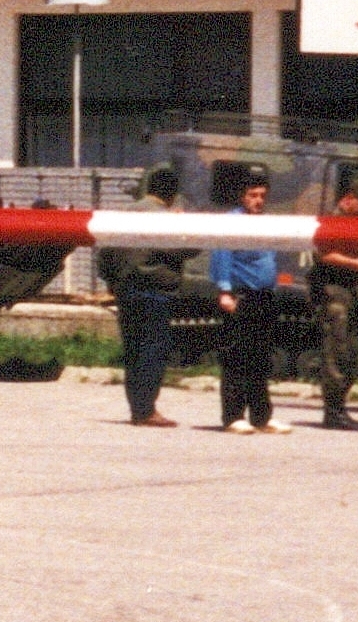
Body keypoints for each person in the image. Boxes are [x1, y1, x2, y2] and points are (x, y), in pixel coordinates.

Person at [98, 165, 190, 427]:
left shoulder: (125, 213)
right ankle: (147, 409)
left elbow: (105, 252)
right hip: (156, 290)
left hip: (126, 289)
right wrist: (183, 224)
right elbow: (187, 249)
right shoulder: (167, 218)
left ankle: (137, 407)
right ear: (172, 193)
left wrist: (110, 281)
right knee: (152, 349)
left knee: (133, 349)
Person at [209, 172, 291, 434]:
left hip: (263, 296)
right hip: (240, 296)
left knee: (260, 358)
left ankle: (261, 416)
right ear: (241, 196)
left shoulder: (264, 222)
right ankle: (233, 416)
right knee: (237, 357)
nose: (258, 201)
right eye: (252, 195)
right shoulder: (232, 222)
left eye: (262, 196)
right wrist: (224, 291)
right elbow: (221, 257)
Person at [313, 185, 358, 430]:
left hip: (346, 291)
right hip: (332, 291)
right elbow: (325, 255)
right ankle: (333, 412)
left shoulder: (355, 223)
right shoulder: (333, 222)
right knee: (337, 349)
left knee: (350, 350)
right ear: (349, 199)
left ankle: (338, 407)